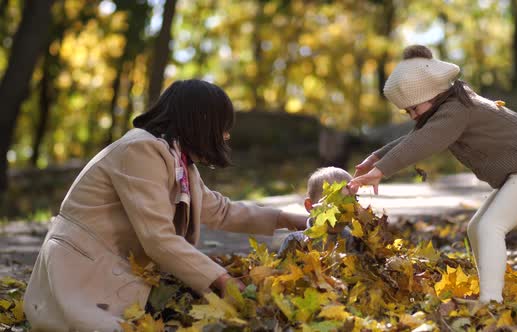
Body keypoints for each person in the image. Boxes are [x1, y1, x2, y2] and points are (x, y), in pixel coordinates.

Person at [23, 79, 308, 331]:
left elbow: (220, 210)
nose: (226, 136)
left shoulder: (179, 163)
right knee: (204, 306)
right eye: (223, 127)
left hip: (115, 269)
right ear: (201, 122)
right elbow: (157, 239)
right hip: (82, 274)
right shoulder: (140, 150)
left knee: (205, 301)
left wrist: (287, 218)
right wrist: (222, 280)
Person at [348, 45, 517, 303]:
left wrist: (381, 171)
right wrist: (377, 157)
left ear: (433, 93)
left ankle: (491, 301)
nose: (413, 116)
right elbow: (417, 136)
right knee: (476, 228)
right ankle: (489, 289)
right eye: (408, 112)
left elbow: (424, 141)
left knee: (490, 226)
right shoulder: (450, 105)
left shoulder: (457, 110)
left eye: (414, 109)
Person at [277, 167, 358, 257]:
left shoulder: (350, 239)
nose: (346, 208)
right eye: (335, 202)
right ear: (310, 206)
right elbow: (280, 268)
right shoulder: (295, 241)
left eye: (352, 200)